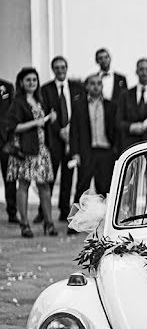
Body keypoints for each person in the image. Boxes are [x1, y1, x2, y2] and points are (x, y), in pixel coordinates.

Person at [5, 68, 57, 237]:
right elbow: (14, 127)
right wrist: (36, 122)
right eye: (28, 80)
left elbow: (42, 123)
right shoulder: (18, 102)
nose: (32, 83)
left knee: (44, 185)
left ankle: (49, 223)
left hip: (41, 149)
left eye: (34, 80)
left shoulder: (39, 100)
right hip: (25, 150)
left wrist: (50, 119)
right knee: (24, 185)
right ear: (21, 82)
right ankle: (24, 224)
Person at [39, 55, 81, 223]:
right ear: (53, 70)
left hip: (73, 138)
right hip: (54, 139)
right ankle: (44, 211)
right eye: (56, 67)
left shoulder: (77, 88)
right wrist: (59, 131)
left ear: (66, 68)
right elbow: (45, 114)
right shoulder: (46, 89)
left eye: (62, 67)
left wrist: (70, 131)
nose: (60, 70)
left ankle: (64, 211)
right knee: (50, 176)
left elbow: (79, 112)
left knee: (68, 177)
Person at [70, 73, 117, 207]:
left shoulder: (110, 105)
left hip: (105, 152)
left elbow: (115, 130)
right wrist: (75, 153)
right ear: (86, 86)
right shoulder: (79, 105)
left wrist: (115, 151)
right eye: (92, 83)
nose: (96, 87)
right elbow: (74, 131)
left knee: (105, 188)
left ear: (102, 86)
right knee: (82, 188)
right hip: (86, 151)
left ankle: (105, 222)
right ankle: (74, 224)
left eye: (99, 83)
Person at [0, 76, 17, 222]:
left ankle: (12, 212)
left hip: (5, 141)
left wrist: (11, 140)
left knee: (9, 178)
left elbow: (13, 115)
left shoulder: (7, 86)